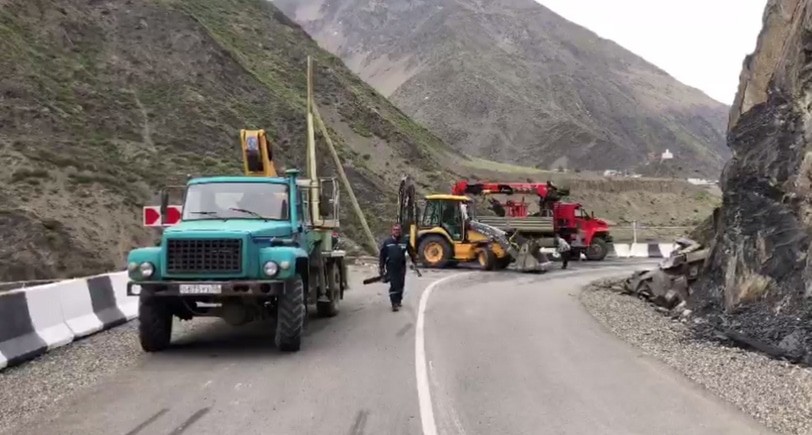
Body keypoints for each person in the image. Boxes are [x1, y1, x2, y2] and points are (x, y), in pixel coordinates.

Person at [379, 224, 409, 312]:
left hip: (401, 266)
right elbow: (382, 256)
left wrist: (414, 261)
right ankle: (394, 303)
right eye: (395, 230)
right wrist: (381, 267)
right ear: (392, 231)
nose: (397, 231)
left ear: (401, 231)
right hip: (391, 266)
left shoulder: (405, 241)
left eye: (398, 230)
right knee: (394, 284)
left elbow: (411, 252)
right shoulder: (387, 242)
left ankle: (398, 300)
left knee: (401, 284)